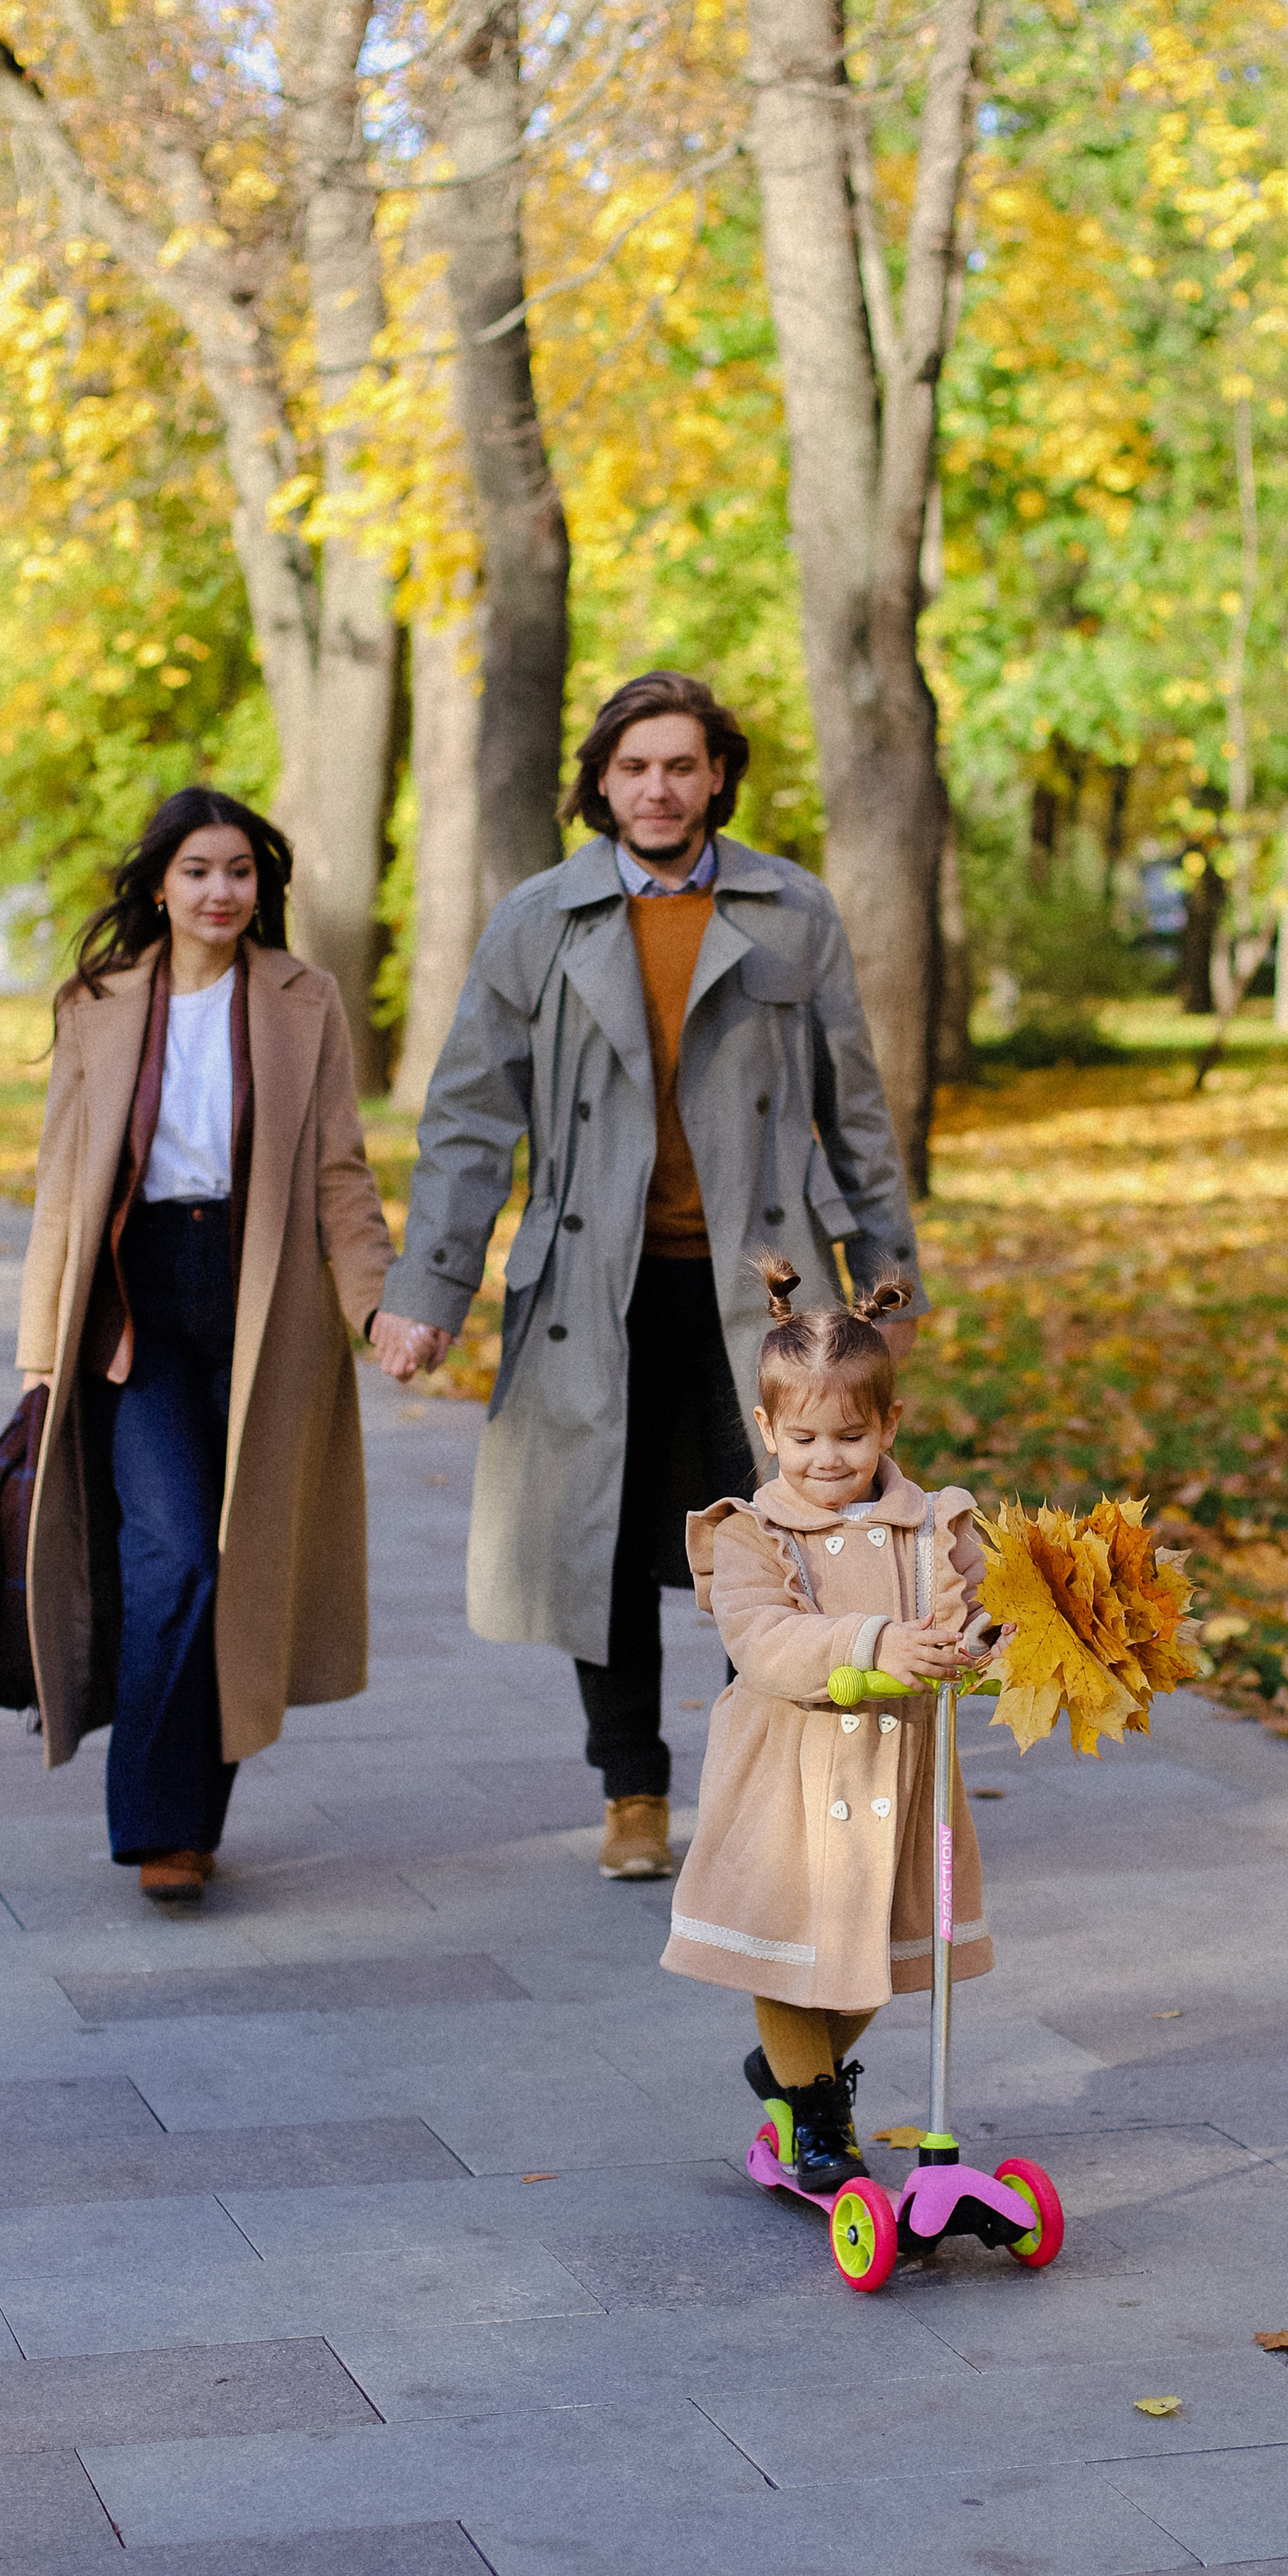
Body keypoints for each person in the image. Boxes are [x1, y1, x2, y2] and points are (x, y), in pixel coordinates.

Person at [374, 671, 921, 1880]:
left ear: (717, 773)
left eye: (681, 765)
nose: (658, 789)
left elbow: (859, 1114)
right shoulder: (540, 919)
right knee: (606, 1541)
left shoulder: (791, 910)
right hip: (593, 1292)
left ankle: (757, 1775)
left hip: (762, 1297)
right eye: (634, 768)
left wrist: (887, 1288)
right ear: (601, 784)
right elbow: (469, 1120)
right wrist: (427, 1290)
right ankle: (631, 1792)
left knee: (778, 1536)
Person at [17, 788, 426, 1905]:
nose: (219, 892)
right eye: (198, 870)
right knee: (179, 1555)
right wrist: (38, 1348)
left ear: (263, 887)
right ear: (160, 882)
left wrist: (373, 1305)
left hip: (263, 1305)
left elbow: (341, 1170)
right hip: (132, 1308)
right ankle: (160, 1823)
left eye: (240, 872)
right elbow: (61, 1183)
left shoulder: (306, 1000)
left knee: (235, 1568)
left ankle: (191, 1825)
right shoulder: (97, 1005)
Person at [663, 1259, 993, 2194]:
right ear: (767, 1431)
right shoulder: (746, 1533)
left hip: (897, 1782)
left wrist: (983, 1643)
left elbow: (980, 1613)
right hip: (788, 1780)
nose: (827, 1458)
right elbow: (764, 1641)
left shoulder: (937, 1524)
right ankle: (814, 2116)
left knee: (871, 1961)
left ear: (888, 1425)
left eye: (850, 1435)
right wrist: (879, 1643)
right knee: (790, 1948)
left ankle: (788, 2070)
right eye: (803, 1437)